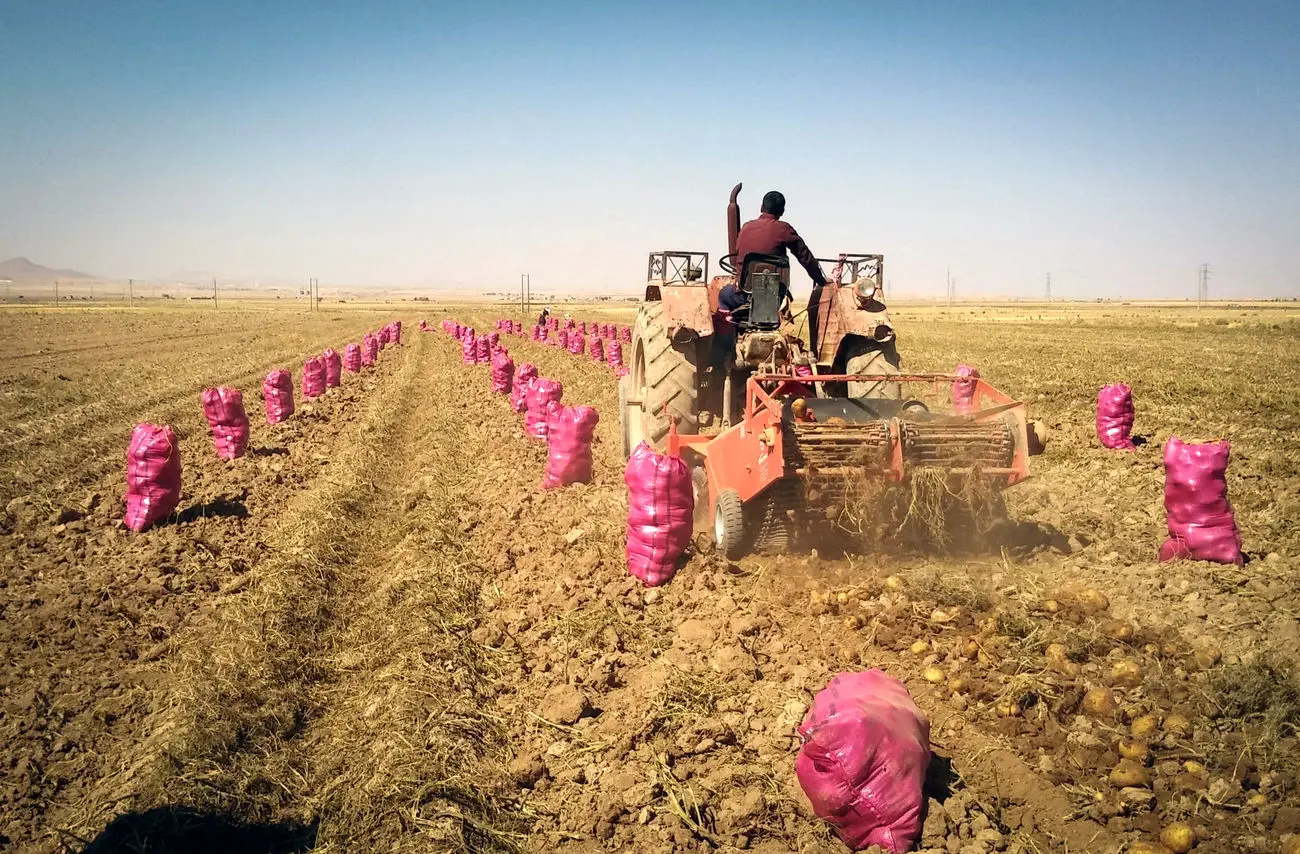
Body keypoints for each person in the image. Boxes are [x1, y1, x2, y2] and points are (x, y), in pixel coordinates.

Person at [720, 190, 828, 339]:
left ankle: (727, 337)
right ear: (782, 211)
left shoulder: (745, 228)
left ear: (761, 207)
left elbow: (738, 252)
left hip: (743, 296)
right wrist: (820, 280)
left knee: (723, 296)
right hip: (774, 298)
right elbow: (805, 257)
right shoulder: (784, 229)